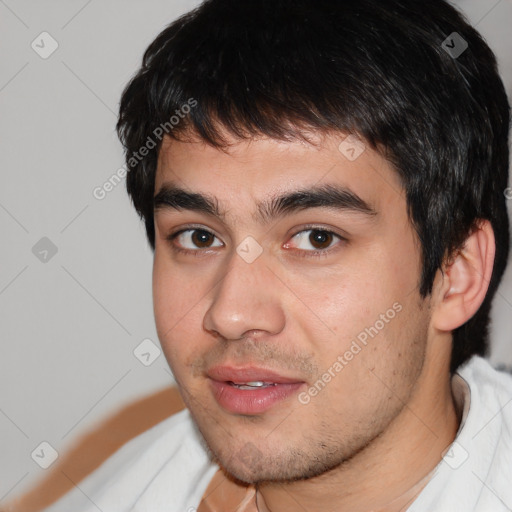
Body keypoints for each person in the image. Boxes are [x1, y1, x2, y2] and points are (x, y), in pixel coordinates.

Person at [44, 0, 512, 510]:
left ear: (457, 274)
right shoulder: (122, 491)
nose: (230, 314)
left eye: (316, 238)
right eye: (200, 237)